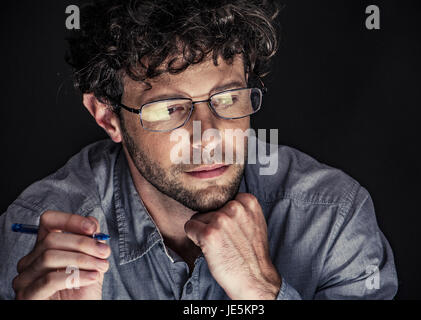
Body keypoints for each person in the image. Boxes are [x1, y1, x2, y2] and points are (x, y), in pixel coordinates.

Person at [0, 0, 398, 300]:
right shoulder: (39, 238)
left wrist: (262, 292)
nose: (209, 137)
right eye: (170, 109)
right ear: (108, 117)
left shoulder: (334, 217)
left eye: (227, 98)